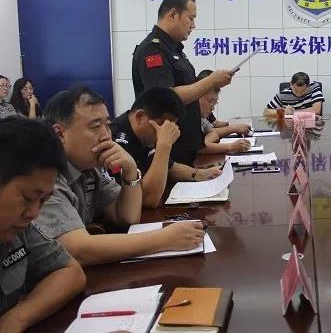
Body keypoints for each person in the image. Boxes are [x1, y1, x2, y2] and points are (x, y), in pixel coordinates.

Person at [34, 86, 204, 266]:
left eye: (107, 125)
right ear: (60, 134)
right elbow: (79, 250)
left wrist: (130, 170)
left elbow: (127, 217)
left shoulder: (90, 167)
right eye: (96, 126)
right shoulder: (43, 175)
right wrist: (163, 239)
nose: (106, 135)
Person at [0, 117, 85, 333]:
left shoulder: (17, 227)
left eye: (43, 200)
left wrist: (17, 318)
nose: (34, 213)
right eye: (28, 197)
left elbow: (70, 272)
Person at [132, 0, 234, 166]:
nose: (193, 25)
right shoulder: (153, 50)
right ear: (173, 15)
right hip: (171, 150)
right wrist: (211, 81)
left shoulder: (174, 50)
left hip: (187, 147)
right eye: (191, 18)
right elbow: (165, 97)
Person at [111, 87, 223, 209]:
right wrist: (164, 145)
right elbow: (148, 199)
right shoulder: (117, 142)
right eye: (161, 125)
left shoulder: (145, 133)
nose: (163, 132)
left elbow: (171, 166)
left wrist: (199, 174)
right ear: (140, 116)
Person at [196, 71, 251, 155]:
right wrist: (231, 146)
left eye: (215, 102)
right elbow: (199, 148)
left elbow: (213, 133)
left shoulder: (202, 119)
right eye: (210, 101)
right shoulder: (188, 117)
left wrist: (206, 141)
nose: (213, 108)